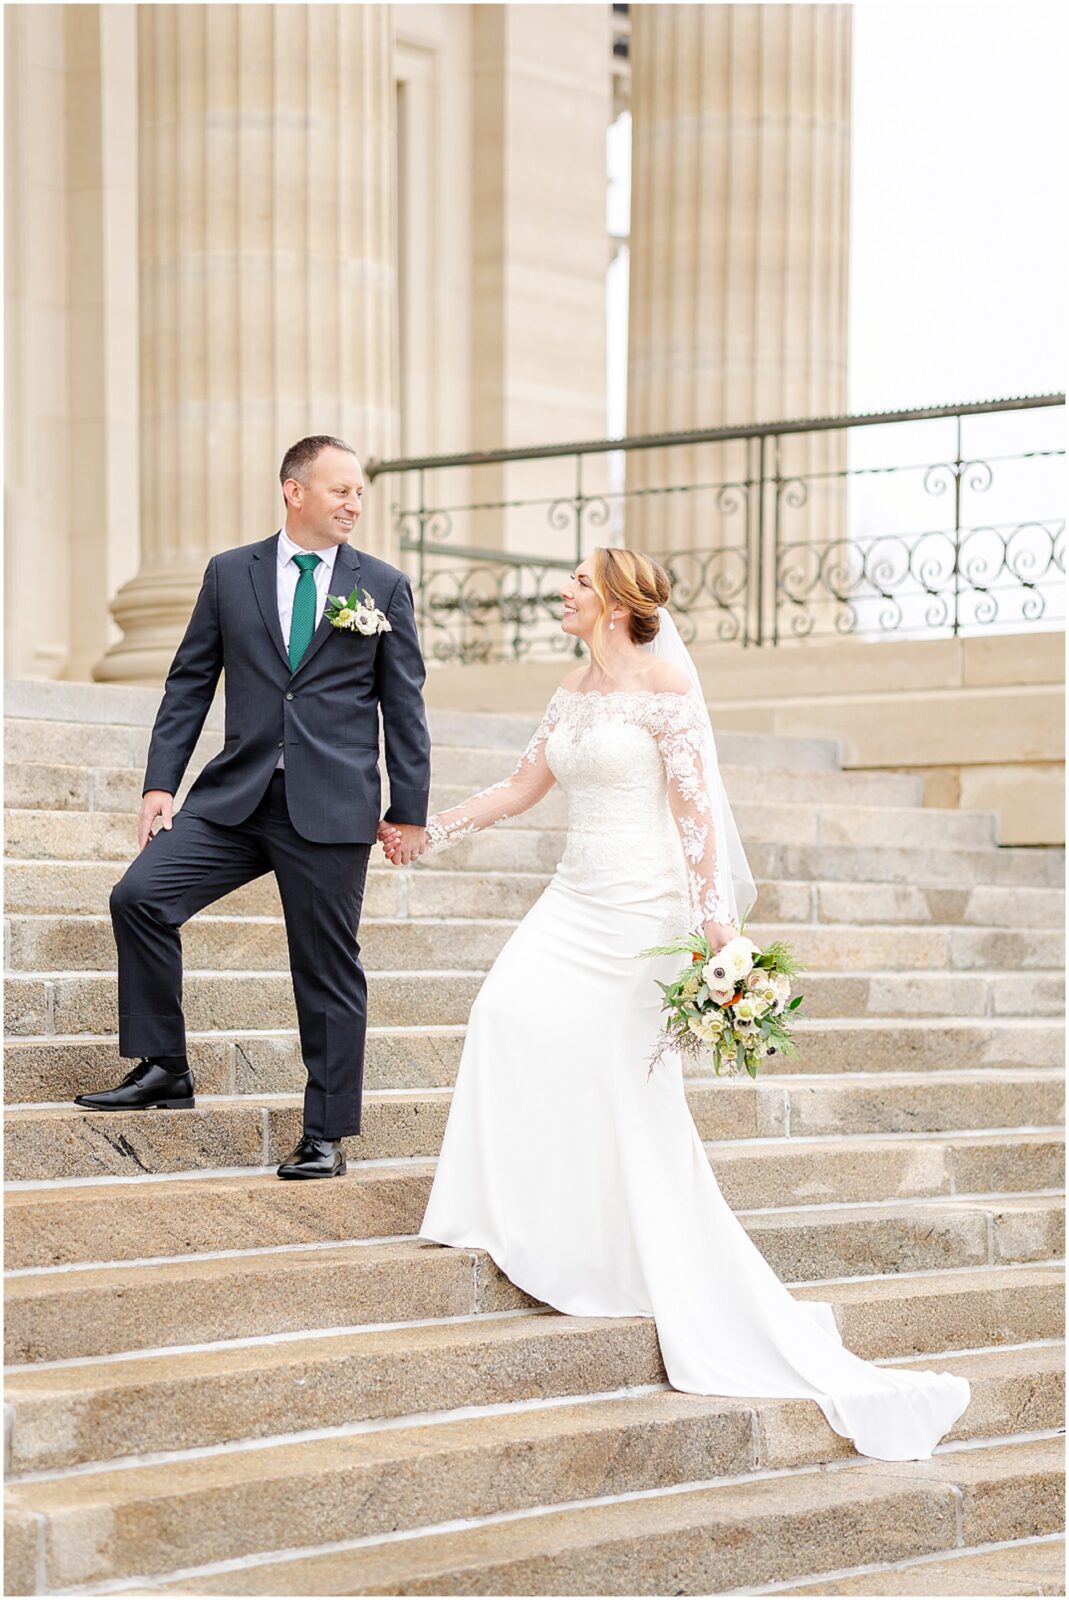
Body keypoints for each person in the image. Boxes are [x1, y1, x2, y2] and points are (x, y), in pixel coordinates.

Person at [378, 546, 971, 1462]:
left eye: (578, 583)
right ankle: (507, 1212)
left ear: (616, 602)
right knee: (502, 1012)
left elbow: (697, 820)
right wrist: (428, 831)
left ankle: (624, 1249)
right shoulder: (571, 691)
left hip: (641, 912)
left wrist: (713, 934)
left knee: (622, 1085)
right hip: (572, 898)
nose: (563, 593)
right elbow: (523, 787)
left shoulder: (667, 690)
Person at [76, 436, 431, 1179]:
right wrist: (159, 784)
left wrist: (409, 809)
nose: (353, 504)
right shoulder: (230, 573)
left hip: (331, 806)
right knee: (139, 896)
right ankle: (164, 1066)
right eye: (338, 490)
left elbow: (404, 709)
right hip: (234, 796)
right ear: (292, 491)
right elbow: (188, 681)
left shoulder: (383, 586)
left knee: (326, 966)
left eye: (358, 492)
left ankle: (326, 1133)